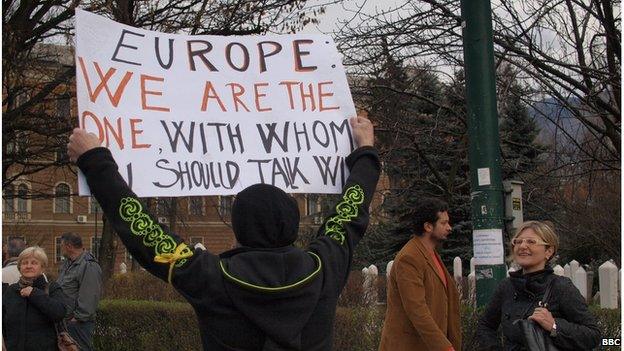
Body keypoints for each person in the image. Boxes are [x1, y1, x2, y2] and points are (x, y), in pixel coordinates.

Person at [67, 115, 380, 350]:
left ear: (239, 227)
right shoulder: (324, 267)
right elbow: (351, 211)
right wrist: (365, 150)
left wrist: (95, 160)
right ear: (292, 224)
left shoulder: (211, 277)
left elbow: (142, 231)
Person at [477, 220, 601, 350]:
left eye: (531, 242)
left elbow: (593, 335)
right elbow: (485, 326)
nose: (522, 246)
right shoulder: (507, 286)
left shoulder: (561, 287)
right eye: (518, 241)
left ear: (548, 251)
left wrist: (554, 326)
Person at [379, 198, 461, 351]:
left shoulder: (431, 254)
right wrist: (444, 347)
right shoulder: (409, 258)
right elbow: (417, 310)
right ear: (428, 226)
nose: (449, 227)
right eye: (443, 223)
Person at [2, 246, 68, 350]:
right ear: (19, 267)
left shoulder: (52, 288)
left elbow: (60, 312)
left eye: (34, 263)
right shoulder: (11, 291)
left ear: (42, 267)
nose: (28, 266)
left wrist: (34, 294)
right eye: (24, 263)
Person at [57, 232, 102, 351]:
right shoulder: (68, 263)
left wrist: (77, 318)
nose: (60, 249)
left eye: (61, 245)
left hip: (78, 324)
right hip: (65, 321)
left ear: (69, 246)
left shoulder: (88, 265)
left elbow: (90, 296)